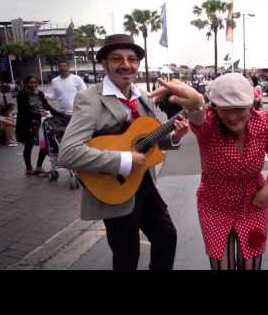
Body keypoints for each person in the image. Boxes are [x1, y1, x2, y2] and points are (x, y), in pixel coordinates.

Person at [57, 34, 189, 271]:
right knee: (127, 255)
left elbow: (150, 139)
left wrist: (175, 137)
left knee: (167, 237)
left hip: (145, 182)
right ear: (104, 63)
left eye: (132, 59)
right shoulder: (89, 98)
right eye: (117, 58)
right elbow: (67, 153)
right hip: (114, 187)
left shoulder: (142, 97)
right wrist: (124, 160)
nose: (126, 64)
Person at [151, 73, 268, 270]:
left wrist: (266, 191)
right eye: (225, 110)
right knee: (222, 266)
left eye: (239, 109)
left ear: (251, 104)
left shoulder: (264, 122)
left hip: (253, 204)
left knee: (250, 265)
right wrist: (196, 101)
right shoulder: (208, 124)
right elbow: (197, 113)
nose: (232, 117)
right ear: (215, 108)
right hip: (214, 206)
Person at [16, 75, 64, 176]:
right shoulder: (22, 94)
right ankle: (28, 168)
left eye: (35, 82)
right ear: (26, 83)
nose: (33, 85)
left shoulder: (40, 94)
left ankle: (39, 167)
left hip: (41, 124)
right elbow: (23, 110)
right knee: (28, 146)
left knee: (44, 145)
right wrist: (39, 114)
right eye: (31, 82)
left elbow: (47, 106)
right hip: (28, 124)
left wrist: (60, 114)